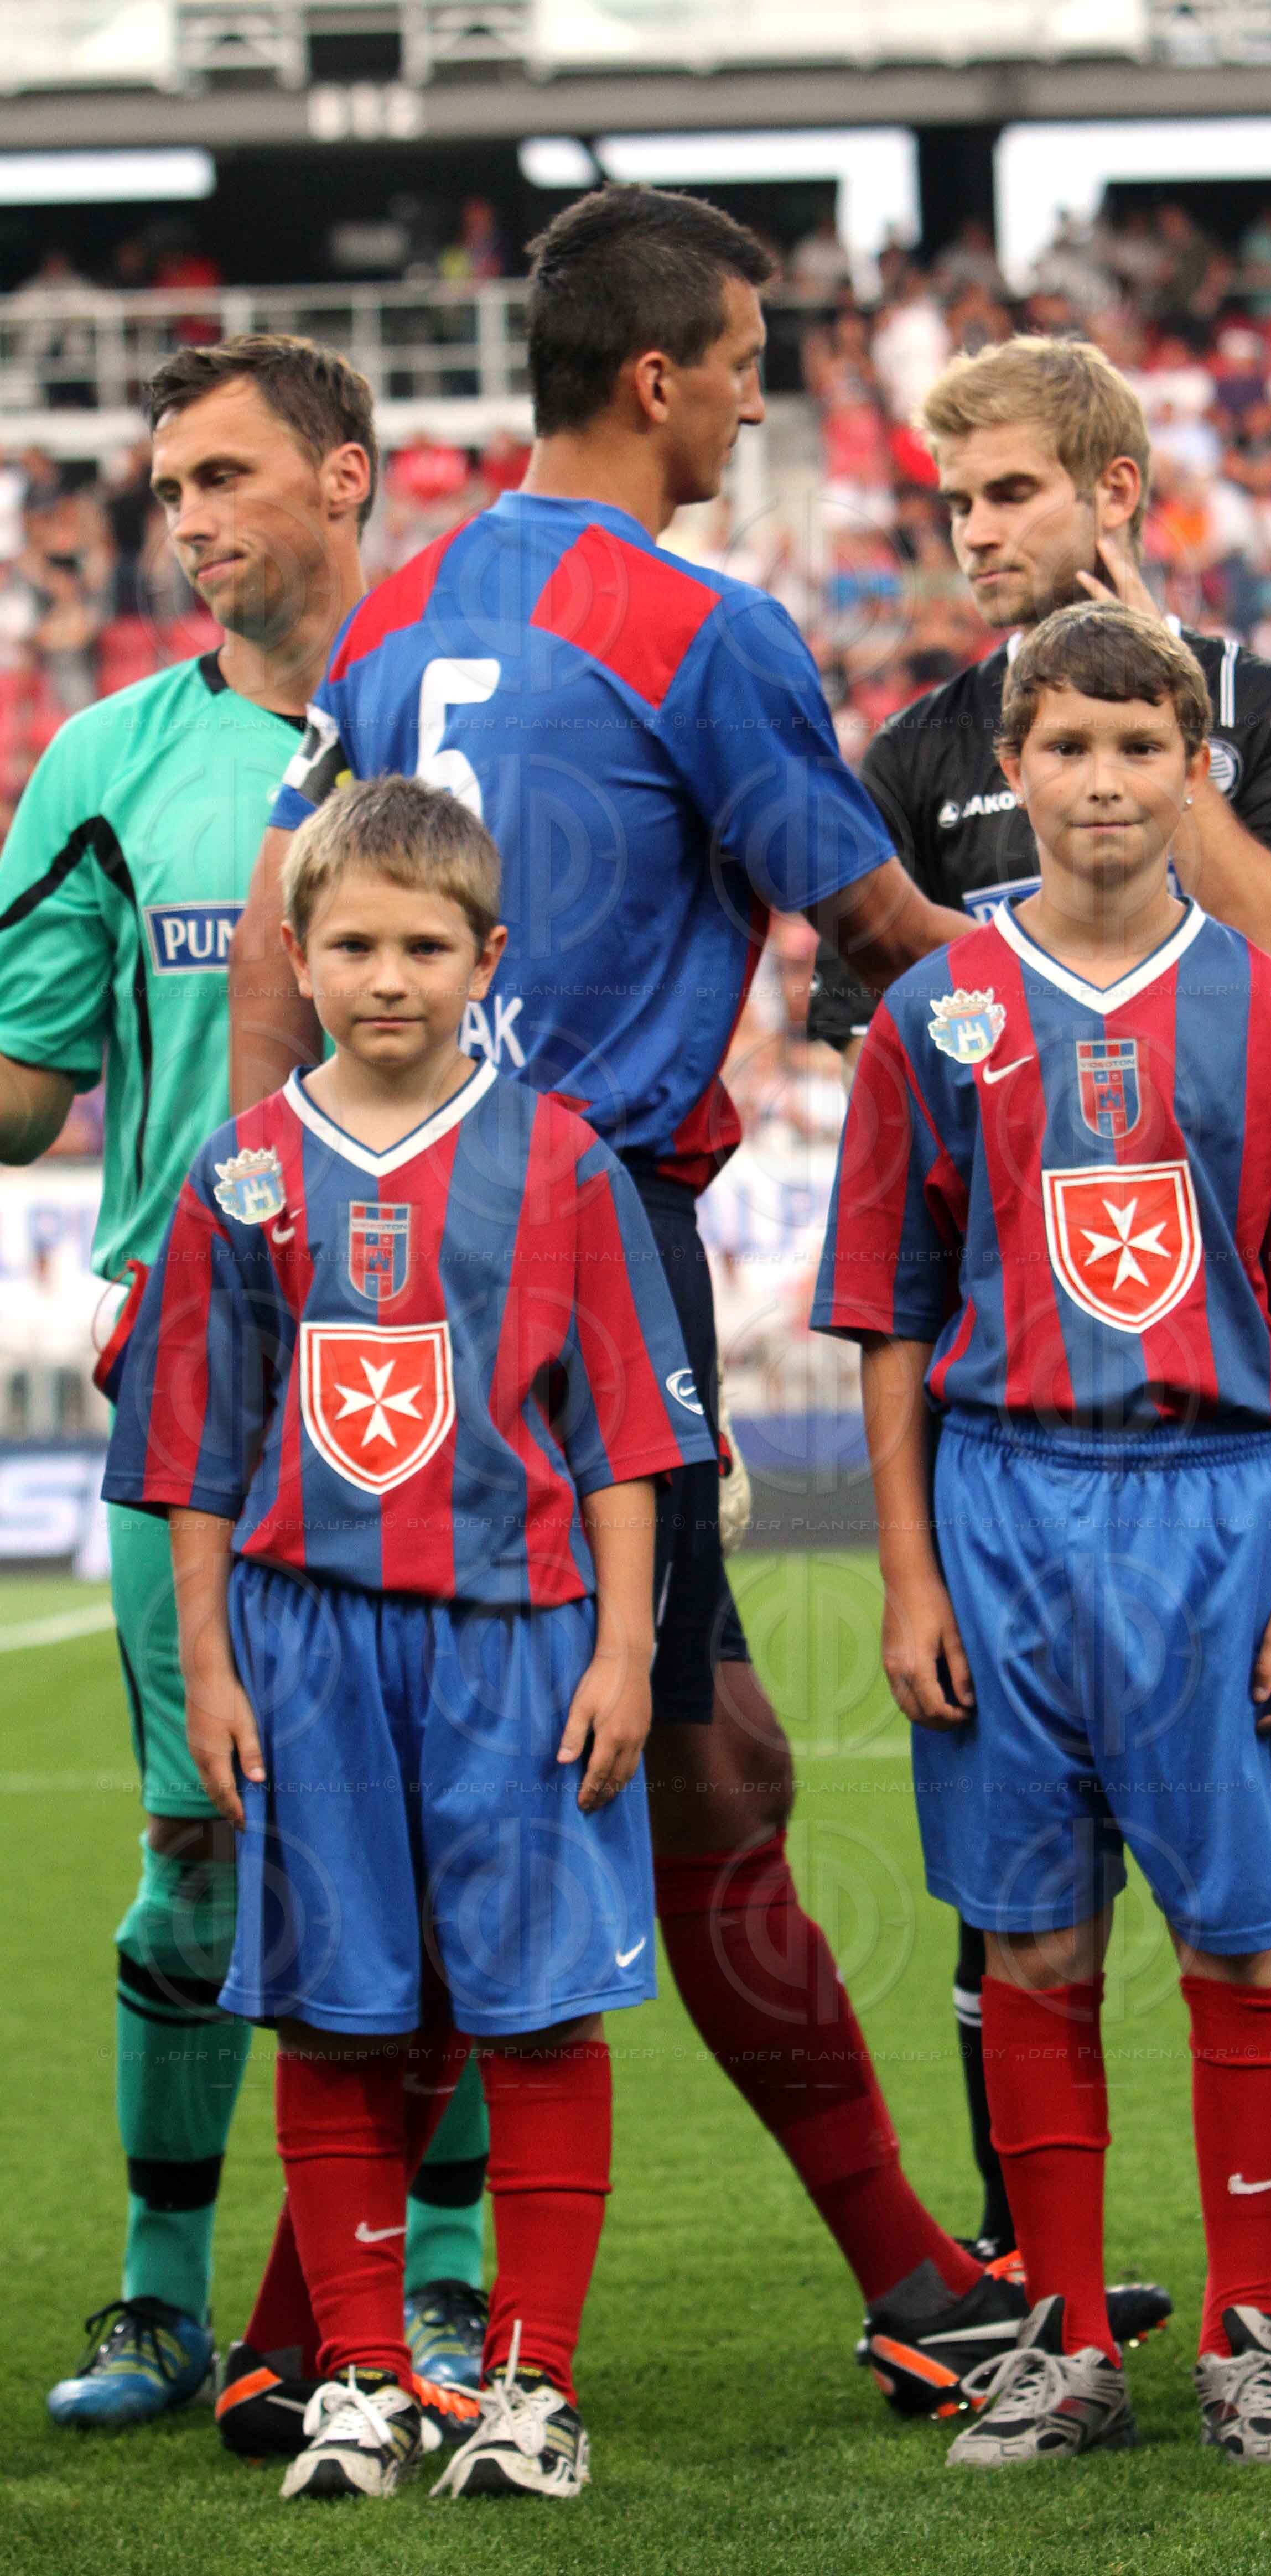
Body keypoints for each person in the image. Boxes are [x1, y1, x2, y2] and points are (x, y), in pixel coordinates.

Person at [224, 185, 1043, 2402]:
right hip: (579, 1247)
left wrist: (251, 1196)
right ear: (659, 376)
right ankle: (894, 2288)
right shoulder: (697, 619)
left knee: (700, 1755)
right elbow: (872, 925)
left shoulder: (408, 613)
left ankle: (308, 2327)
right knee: (661, 1770)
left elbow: (290, 925)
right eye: (756, 353)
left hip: (384, 1240)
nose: (772, 386)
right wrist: (1091, 1033)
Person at [808, 330, 1271, 2377]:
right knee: (1028, 1911)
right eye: (952, 502)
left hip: (1210, 1461)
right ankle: (1044, 2285)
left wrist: (1172, 731)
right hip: (1008, 1453)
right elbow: (898, 1123)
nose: (972, 532)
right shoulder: (916, 765)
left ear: (1111, 489)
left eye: (1005, 493)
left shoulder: (1265, 722)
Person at [103, 775, 709, 2500]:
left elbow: (624, 1444)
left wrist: (623, 1653)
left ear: (485, 957)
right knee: (335, 2012)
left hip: (517, 1644)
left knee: (535, 2019)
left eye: (425, 944)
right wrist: (209, 1665)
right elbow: (198, 1461)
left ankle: (533, 2382)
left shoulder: (564, 1161)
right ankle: (359, 2373)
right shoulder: (242, 1175)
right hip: (305, 1648)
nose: (388, 975)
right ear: (295, 953)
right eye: (354, 942)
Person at [0, 335, 490, 2433]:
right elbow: (23, 1101)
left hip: (449, 1368)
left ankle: (454, 2292)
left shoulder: (482, 727)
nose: (186, 518)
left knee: (455, 1844)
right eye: (164, 484)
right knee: (196, 1839)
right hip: (189, 1371)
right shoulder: (104, 760)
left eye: (223, 475)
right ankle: (158, 2295)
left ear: (347, 476)